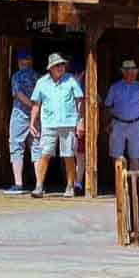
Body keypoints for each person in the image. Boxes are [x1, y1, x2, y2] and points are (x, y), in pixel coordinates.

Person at [29, 53, 84, 198]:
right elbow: (36, 104)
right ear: (50, 68)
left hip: (68, 123)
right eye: (57, 65)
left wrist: (80, 122)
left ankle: (70, 186)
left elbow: (80, 101)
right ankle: (39, 186)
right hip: (49, 123)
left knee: (68, 155)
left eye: (62, 64)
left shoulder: (71, 79)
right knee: (44, 154)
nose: (61, 67)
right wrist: (32, 122)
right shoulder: (41, 82)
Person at [104, 59, 139, 171]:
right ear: (123, 73)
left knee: (135, 156)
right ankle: (120, 184)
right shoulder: (115, 87)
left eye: (133, 72)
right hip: (117, 124)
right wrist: (106, 123)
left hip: (135, 124)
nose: (131, 74)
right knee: (116, 156)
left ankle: (132, 185)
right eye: (129, 72)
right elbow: (107, 107)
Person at [5, 49, 41, 195]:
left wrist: (30, 105)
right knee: (37, 147)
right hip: (36, 116)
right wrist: (35, 108)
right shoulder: (38, 77)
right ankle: (40, 183)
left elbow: (18, 94)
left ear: (20, 62)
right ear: (30, 61)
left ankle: (18, 184)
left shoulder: (17, 76)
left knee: (16, 146)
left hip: (20, 114)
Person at [70, 59, 87, 195]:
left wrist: (81, 121)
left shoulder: (88, 86)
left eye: (79, 72)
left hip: (81, 125)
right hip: (67, 125)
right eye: (74, 73)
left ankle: (78, 183)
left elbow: (96, 102)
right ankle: (71, 182)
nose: (77, 75)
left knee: (80, 155)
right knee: (68, 154)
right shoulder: (67, 85)